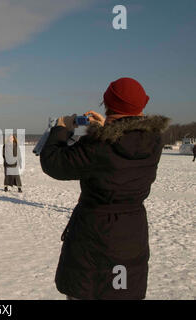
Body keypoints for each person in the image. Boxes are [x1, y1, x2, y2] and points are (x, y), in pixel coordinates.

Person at [40, 77, 170, 300]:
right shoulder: (154, 141)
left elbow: (54, 163)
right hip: (131, 234)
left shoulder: (99, 146)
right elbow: (125, 144)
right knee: (122, 293)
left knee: (88, 291)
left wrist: (61, 127)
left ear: (108, 104)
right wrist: (107, 127)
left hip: (94, 236)